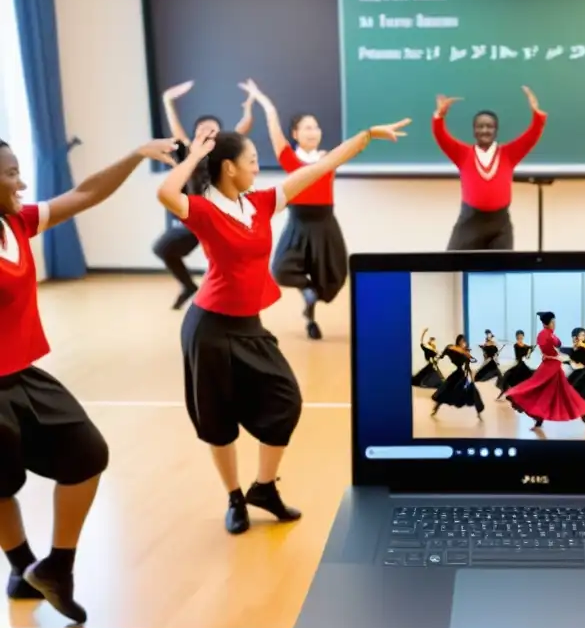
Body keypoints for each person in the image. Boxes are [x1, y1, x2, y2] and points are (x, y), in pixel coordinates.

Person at [157, 118, 409, 535]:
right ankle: (235, 498)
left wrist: (365, 136)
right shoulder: (200, 209)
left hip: (249, 325)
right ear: (229, 168)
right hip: (210, 328)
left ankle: (264, 487)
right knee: (218, 420)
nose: (258, 167)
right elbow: (165, 192)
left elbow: (321, 166)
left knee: (286, 400)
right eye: (252, 160)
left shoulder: (260, 203)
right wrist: (197, 155)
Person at [1, 136, 176, 623]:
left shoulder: (15, 223)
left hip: (22, 374)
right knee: (0, 485)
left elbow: (85, 194)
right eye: (12, 173)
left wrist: (136, 153)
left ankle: (56, 565)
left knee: (86, 453)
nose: (23, 182)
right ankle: (21, 567)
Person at [240, 80, 347, 340]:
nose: (313, 131)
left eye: (316, 127)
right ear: (296, 134)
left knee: (336, 275)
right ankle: (307, 293)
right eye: (307, 128)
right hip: (299, 223)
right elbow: (274, 126)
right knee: (281, 270)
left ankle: (310, 312)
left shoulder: (328, 159)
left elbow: (352, 146)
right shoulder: (290, 158)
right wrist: (262, 99)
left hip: (325, 224)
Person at [154, 80, 254, 310]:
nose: (207, 132)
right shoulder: (189, 152)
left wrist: (248, 105)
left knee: (226, 264)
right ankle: (188, 286)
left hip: (220, 219)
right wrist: (167, 100)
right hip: (194, 218)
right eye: (201, 129)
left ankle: (233, 300)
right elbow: (176, 130)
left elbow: (245, 126)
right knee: (163, 249)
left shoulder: (225, 152)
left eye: (212, 129)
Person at [433, 87, 546, 250]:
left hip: (500, 225)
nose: (484, 130)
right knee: (452, 265)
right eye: (480, 126)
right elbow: (441, 137)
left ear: (496, 130)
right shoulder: (463, 154)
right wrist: (439, 116)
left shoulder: (508, 154)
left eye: (489, 126)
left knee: (499, 271)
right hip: (470, 222)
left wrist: (537, 114)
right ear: (474, 130)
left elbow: (532, 136)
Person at [504, 312, 585, 431]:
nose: (554, 324)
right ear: (547, 323)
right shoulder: (546, 335)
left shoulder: (546, 334)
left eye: (554, 322)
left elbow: (556, 344)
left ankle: (537, 417)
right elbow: (557, 343)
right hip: (550, 368)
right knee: (545, 391)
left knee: (549, 393)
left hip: (551, 366)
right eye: (553, 322)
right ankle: (518, 398)